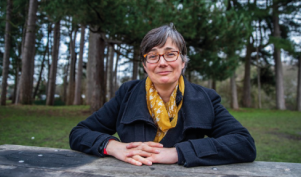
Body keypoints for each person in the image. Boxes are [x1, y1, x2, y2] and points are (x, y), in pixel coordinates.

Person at [69, 24, 256, 167]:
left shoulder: (206, 98)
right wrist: (114, 147)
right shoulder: (127, 94)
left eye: (170, 54)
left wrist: (176, 153)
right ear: (145, 65)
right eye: (153, 56)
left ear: (183, 62)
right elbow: (78, 133)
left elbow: (244, 144)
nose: (162, 62)